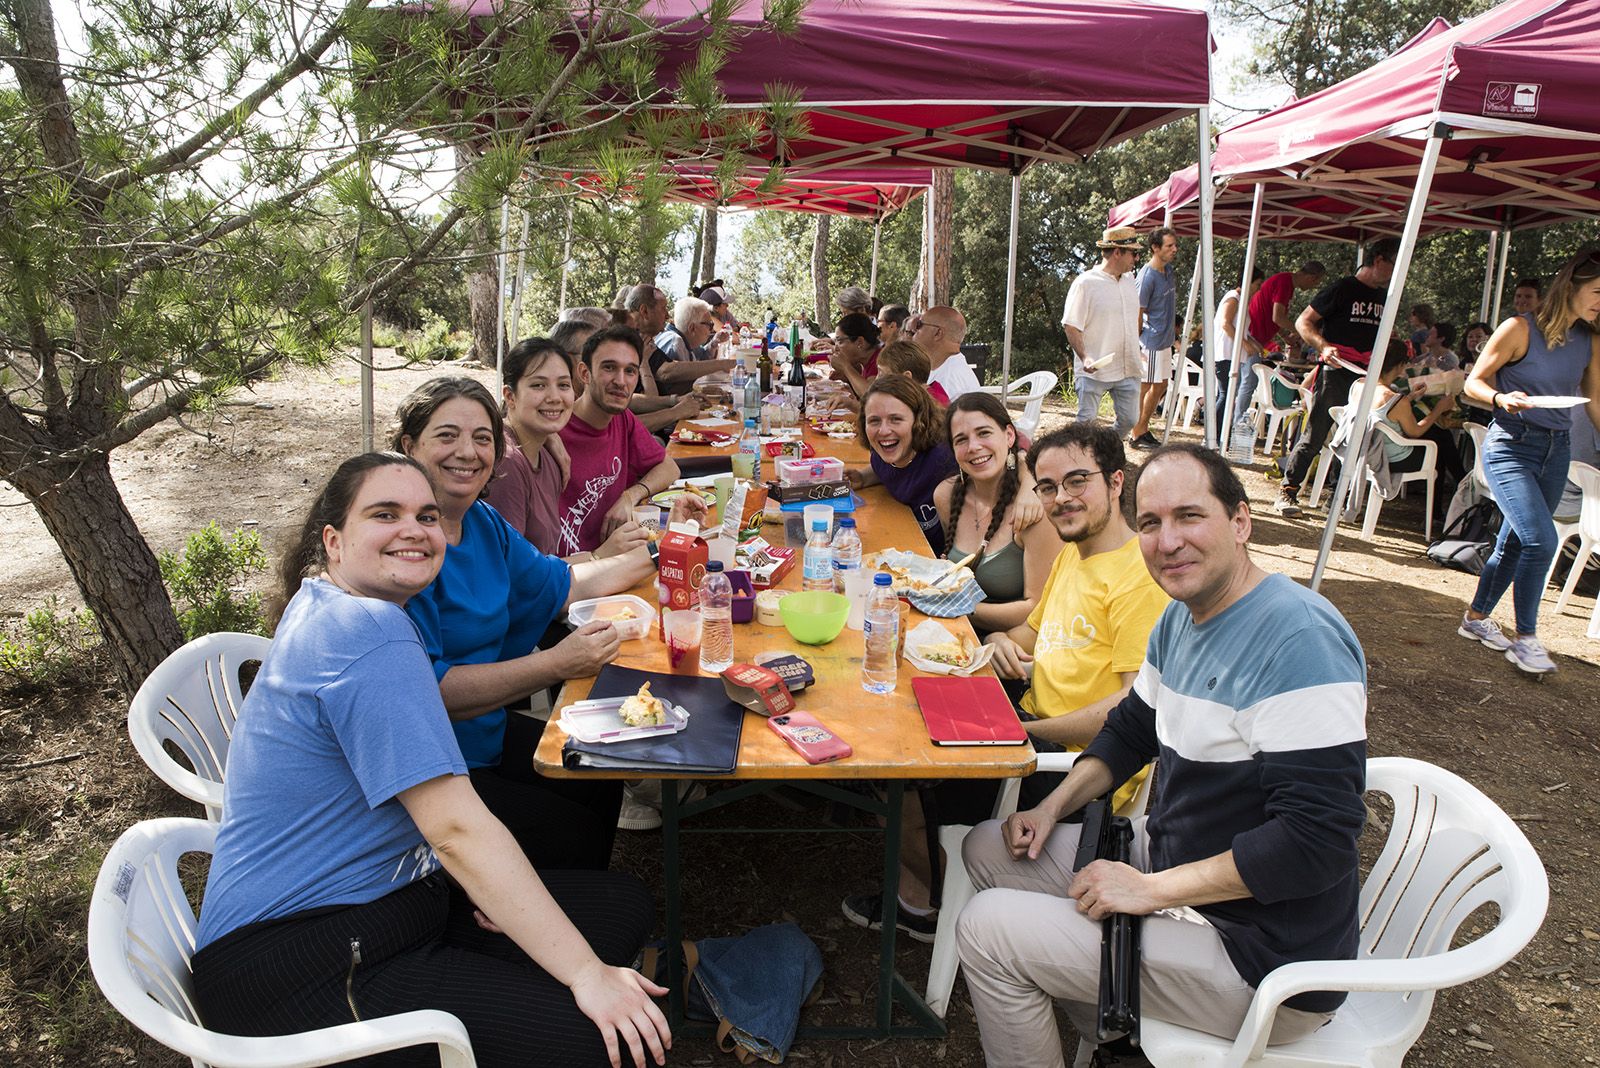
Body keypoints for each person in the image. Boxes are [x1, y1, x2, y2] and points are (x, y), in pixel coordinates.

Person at [191, 453, 671, 1068]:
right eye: (384, 514)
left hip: (390, 903)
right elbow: (454, 828)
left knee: (619, 906)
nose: (414, 529)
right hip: (298, 958)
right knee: (594, 1039)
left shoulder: (335, 606)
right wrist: (585, 975)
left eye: (427, 514)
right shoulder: (368, 634)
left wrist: (493, 900)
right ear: (334, 541)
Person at [957, 444, 1368, 1067]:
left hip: (1264, 958)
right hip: (1178, 868)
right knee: (987, 848)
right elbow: (1128, 732)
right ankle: (1110, 1038)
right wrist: (1053, 808)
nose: (1167, 540)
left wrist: (1149, 891)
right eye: (1150, 523)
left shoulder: (1300, 641)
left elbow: (1317, 843)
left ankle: (1108, 1029)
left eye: (1189, 516)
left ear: (1241, 521)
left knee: (988, 929)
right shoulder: (1183, 617)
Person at [394, 377, 665, 870]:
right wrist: (554, 664)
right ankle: (538, 923)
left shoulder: (482, 522)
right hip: (430, 767)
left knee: (597, 775)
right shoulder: (403, 549)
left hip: (483, 732)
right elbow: (426, 691)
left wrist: (667, 551)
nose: (467, 452)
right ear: (410, 446)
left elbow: (566, 584)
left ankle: (574, 905)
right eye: (447, 435)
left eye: (482, 438)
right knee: (570, 828)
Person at [982, 424, 1168, 807]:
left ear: (1116, 482)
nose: (1061, 498)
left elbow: (1134, 707)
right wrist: (996, 640)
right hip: (1034, 732)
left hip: (1079, 771)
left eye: (1077, 481)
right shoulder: (1074, 553)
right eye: (1048, 487)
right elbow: (1032, 636)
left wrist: (1023, 728)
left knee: (924, 775)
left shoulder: (1139, 578)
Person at [1458, 247, 1600, 674]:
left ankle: (1476, 620)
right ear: (1571, 285)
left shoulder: (1589, 340)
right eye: (1597, 291)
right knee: (1542, 540)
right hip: (1511, 444)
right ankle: (1527, 637)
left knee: (1515, 542)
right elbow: (1473, 383)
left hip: (1558, 450)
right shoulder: (1519, 328)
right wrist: (1502, 397)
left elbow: (1596, 403)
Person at [485, 337, 650, 562]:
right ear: (510, 396)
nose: (554, 398)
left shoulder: (550, 457)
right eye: (538, 385)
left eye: (563, 385)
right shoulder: (508, 464)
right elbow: (514, 578)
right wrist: (598, 556)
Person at [1274, 238, 1400, 518]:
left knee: (1356, 438)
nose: (1398, 271)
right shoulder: (1343, 288)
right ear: (1379, 260)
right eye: (1395, 263)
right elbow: (1303, 322)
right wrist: (1322, 345)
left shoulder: (1385, 296)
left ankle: (1335, 496)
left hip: (1367, 379)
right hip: (1336, 371)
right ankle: (1288, 490)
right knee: (1316, 434)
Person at [935, 393, 1062, 635]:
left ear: (1009, 436)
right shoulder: (946, 496)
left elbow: (1037, 609)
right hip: (950, 633)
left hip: (1008, 646)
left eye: (984, 433)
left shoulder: (1034, 511)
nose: (973, 447)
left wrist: (959, 607)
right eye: (961, 440)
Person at [557, 327, 683, 557]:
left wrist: (630, 495)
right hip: (572, 576)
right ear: (584, 373)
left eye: (630, 371)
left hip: (618, 560)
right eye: (609, 368)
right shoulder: (552, 430)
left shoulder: (621, 419)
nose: (621, 381)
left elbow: (670, 467)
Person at [845, 374, 958, 555]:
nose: (883, 431)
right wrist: (864, 477)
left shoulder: (946, 459)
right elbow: (890, 469)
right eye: (874, 421)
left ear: (918, 420)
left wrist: (1022, 479)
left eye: (896, 419)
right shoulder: (880, 458)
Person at [1063, 227, 1143, 438]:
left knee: (1130, 420)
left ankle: (1105, 446)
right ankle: (1081, 460)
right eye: (1133, 253)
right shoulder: (1085, 283)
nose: (1136, 258)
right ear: (1117, 252)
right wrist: (1085, 357)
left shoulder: (1130, 282)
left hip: (1128, 367)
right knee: (1085, 425)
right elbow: (1071, 325)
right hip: (1094, 369)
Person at [1366, 338, 1467, 494]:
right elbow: (1415, 432)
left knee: (1439, 437)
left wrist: (1411, 397)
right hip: (1392, 457)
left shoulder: (1360, 385)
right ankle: (1458, 486)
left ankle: (1459, 484)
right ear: (1400, 365)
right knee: (1438, 443)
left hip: (1369, 449)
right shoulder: (1395, 399)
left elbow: (1387, 408)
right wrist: (1439, 409)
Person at [624, 284, 703, 431]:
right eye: (663, 309)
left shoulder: (645, 340)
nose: (667, 316)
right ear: (644, 311)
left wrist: (679, 400)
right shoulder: (624, 342)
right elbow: (668, 372)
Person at [1128, 228, 1180, 450]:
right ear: (1155, 248)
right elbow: (1137, 312)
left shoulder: (1168, 271)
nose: (1174, 249)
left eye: (1174, 245)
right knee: (1145, 385)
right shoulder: (1147, 276)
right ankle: (1136, 433)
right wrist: (1135, 343)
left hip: (1165, 341)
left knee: (1161, 385)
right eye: (1169, 246)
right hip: (1150, 341)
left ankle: (1143, 427)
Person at [1245, 260, 1324, 362]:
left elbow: (1273, 316)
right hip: (1253, 337)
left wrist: (1285, 336)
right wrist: (1301, 331)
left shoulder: (1287, 283)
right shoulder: (1285, 283)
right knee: (1249, 377)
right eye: (1316, 283)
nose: (1313, 287)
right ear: (1311, 278)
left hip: (1257, 339)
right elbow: (1278, 318)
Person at [652, 297, 735, 392]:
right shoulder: (675, 343)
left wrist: (714, 343)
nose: (711, 330)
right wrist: (723, 365)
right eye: (709, 325)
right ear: (692, 328)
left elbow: (701, 359)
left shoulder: (686, 340)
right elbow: (676, 387)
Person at [1216, 269, 1265, 426]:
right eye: (1257, 284)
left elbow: (1241, 329)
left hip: (1234, 354)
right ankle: (1214, 433)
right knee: (1226, 395)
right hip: (1225, 353)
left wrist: (1253, 342)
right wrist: (1244, 344)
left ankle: (1221, 432)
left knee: (1228, 394)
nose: (1259, 288)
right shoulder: (1233, 298)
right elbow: (1226, 324)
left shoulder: (1242, 301)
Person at [913, 305, 983, 404]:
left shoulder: (950, 380)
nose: (914, 330)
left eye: (919, 325)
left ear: (938, 333)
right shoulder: (947, 370)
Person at [829, 312, 884, 399]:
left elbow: (871, 395)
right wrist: (848, 378)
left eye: (840, 341)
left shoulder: (881, 360)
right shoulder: (866, 360)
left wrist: (846, 367)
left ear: (860, 342)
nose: (835, 348)